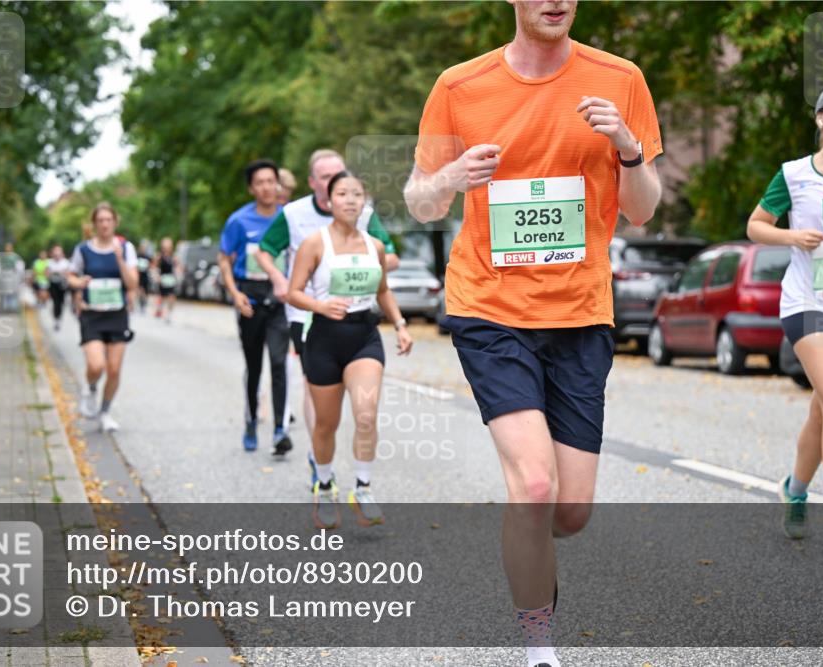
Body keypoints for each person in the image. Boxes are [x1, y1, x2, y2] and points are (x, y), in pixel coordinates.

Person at [404, 2, 662, 665]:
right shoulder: (460, 87)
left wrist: (628, 148)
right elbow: (418, 198)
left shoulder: (620, 78)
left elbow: (640, 207)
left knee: (570, 510)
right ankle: (538, 640)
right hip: (490, 305)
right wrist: (450, 179)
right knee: (536, 486)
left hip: (580, 313)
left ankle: (535, 557)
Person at [747, 82, 823, 560]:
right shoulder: (794, 175)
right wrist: (792, 236)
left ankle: (795, 489)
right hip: (807, 302)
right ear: (819, 119)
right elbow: (755, 225)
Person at [256, 149, 400, 485]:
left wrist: (362, 263)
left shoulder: (363, 215)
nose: (332, 182)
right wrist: (279, 279)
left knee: (364, 412)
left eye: (338, 175)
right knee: (318, 397)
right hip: (306, 316)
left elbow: (389, 257)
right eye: (324, 177)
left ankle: (353, 479)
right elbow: (266, 251)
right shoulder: (292, 214)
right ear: (313, 182)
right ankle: (319, 455)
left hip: (359, 320)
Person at [287, 171, 412, 529]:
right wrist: (320, 307)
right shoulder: (315, 243)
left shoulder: (374, 246)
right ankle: (325, 486)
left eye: (357, 194)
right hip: (324, 338)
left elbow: (383, 290)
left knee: (367, 414)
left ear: (364, 202)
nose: (351, 200)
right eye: (342, 193)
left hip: (363, 336)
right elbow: (293, 292)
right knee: (326, 424)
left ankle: (363, 486)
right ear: (329, 201)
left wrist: (401, 325)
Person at [218, 159, 293, 454]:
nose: (266, 187)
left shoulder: (288, 218)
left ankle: (279, 429)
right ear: (251, 188)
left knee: (279, 362)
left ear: (278, 184)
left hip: (279, 298)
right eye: (259, 182)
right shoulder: (239, 221)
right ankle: (250, 421)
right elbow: (224, 259)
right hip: (248, 297)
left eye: (270, 181)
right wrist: (235, 294)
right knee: (254, 366)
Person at [67, 203, 138, 433]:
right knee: (97, 365)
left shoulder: (126, 248)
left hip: (117, 314)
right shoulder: (83, 249)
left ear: (115, 222)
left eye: (109, 220)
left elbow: (133, 283)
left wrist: (119, 259)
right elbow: (71, 276)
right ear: (94, 224)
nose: (105, 224)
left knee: (115, 370)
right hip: (92, 314)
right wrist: (79, 283)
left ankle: (105, 412)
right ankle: (90, 388)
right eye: (101, 220)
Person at [154, 237, 181, 323]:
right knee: (161, 296)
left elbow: (178, 266)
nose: (166, 249)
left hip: (170, 279)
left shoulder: (173, 257)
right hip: (162, 278)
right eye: (165, 247)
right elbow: (155, 267)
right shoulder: (159, 257)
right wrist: (157, 276)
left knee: (171, 296)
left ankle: (169, 314)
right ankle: (159, 309)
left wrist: (178, 272)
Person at [46, 244, 72, 331]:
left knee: (61, 302)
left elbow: (68, 274)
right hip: (53, 285)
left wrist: (62, 273)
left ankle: (58, 317)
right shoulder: (49, 262)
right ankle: (56, 318)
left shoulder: (65, 262)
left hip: (62, 285)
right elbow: (46, 273)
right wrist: (52, 273)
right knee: (55, 302)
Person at [137, 240, 153, 313]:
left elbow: (151, 265)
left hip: (145, 276)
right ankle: (141, 304)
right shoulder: (137, 256)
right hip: (139, 276)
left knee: (146, 291)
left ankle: (144, 304)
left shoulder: (147, 257)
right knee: (140, 291)